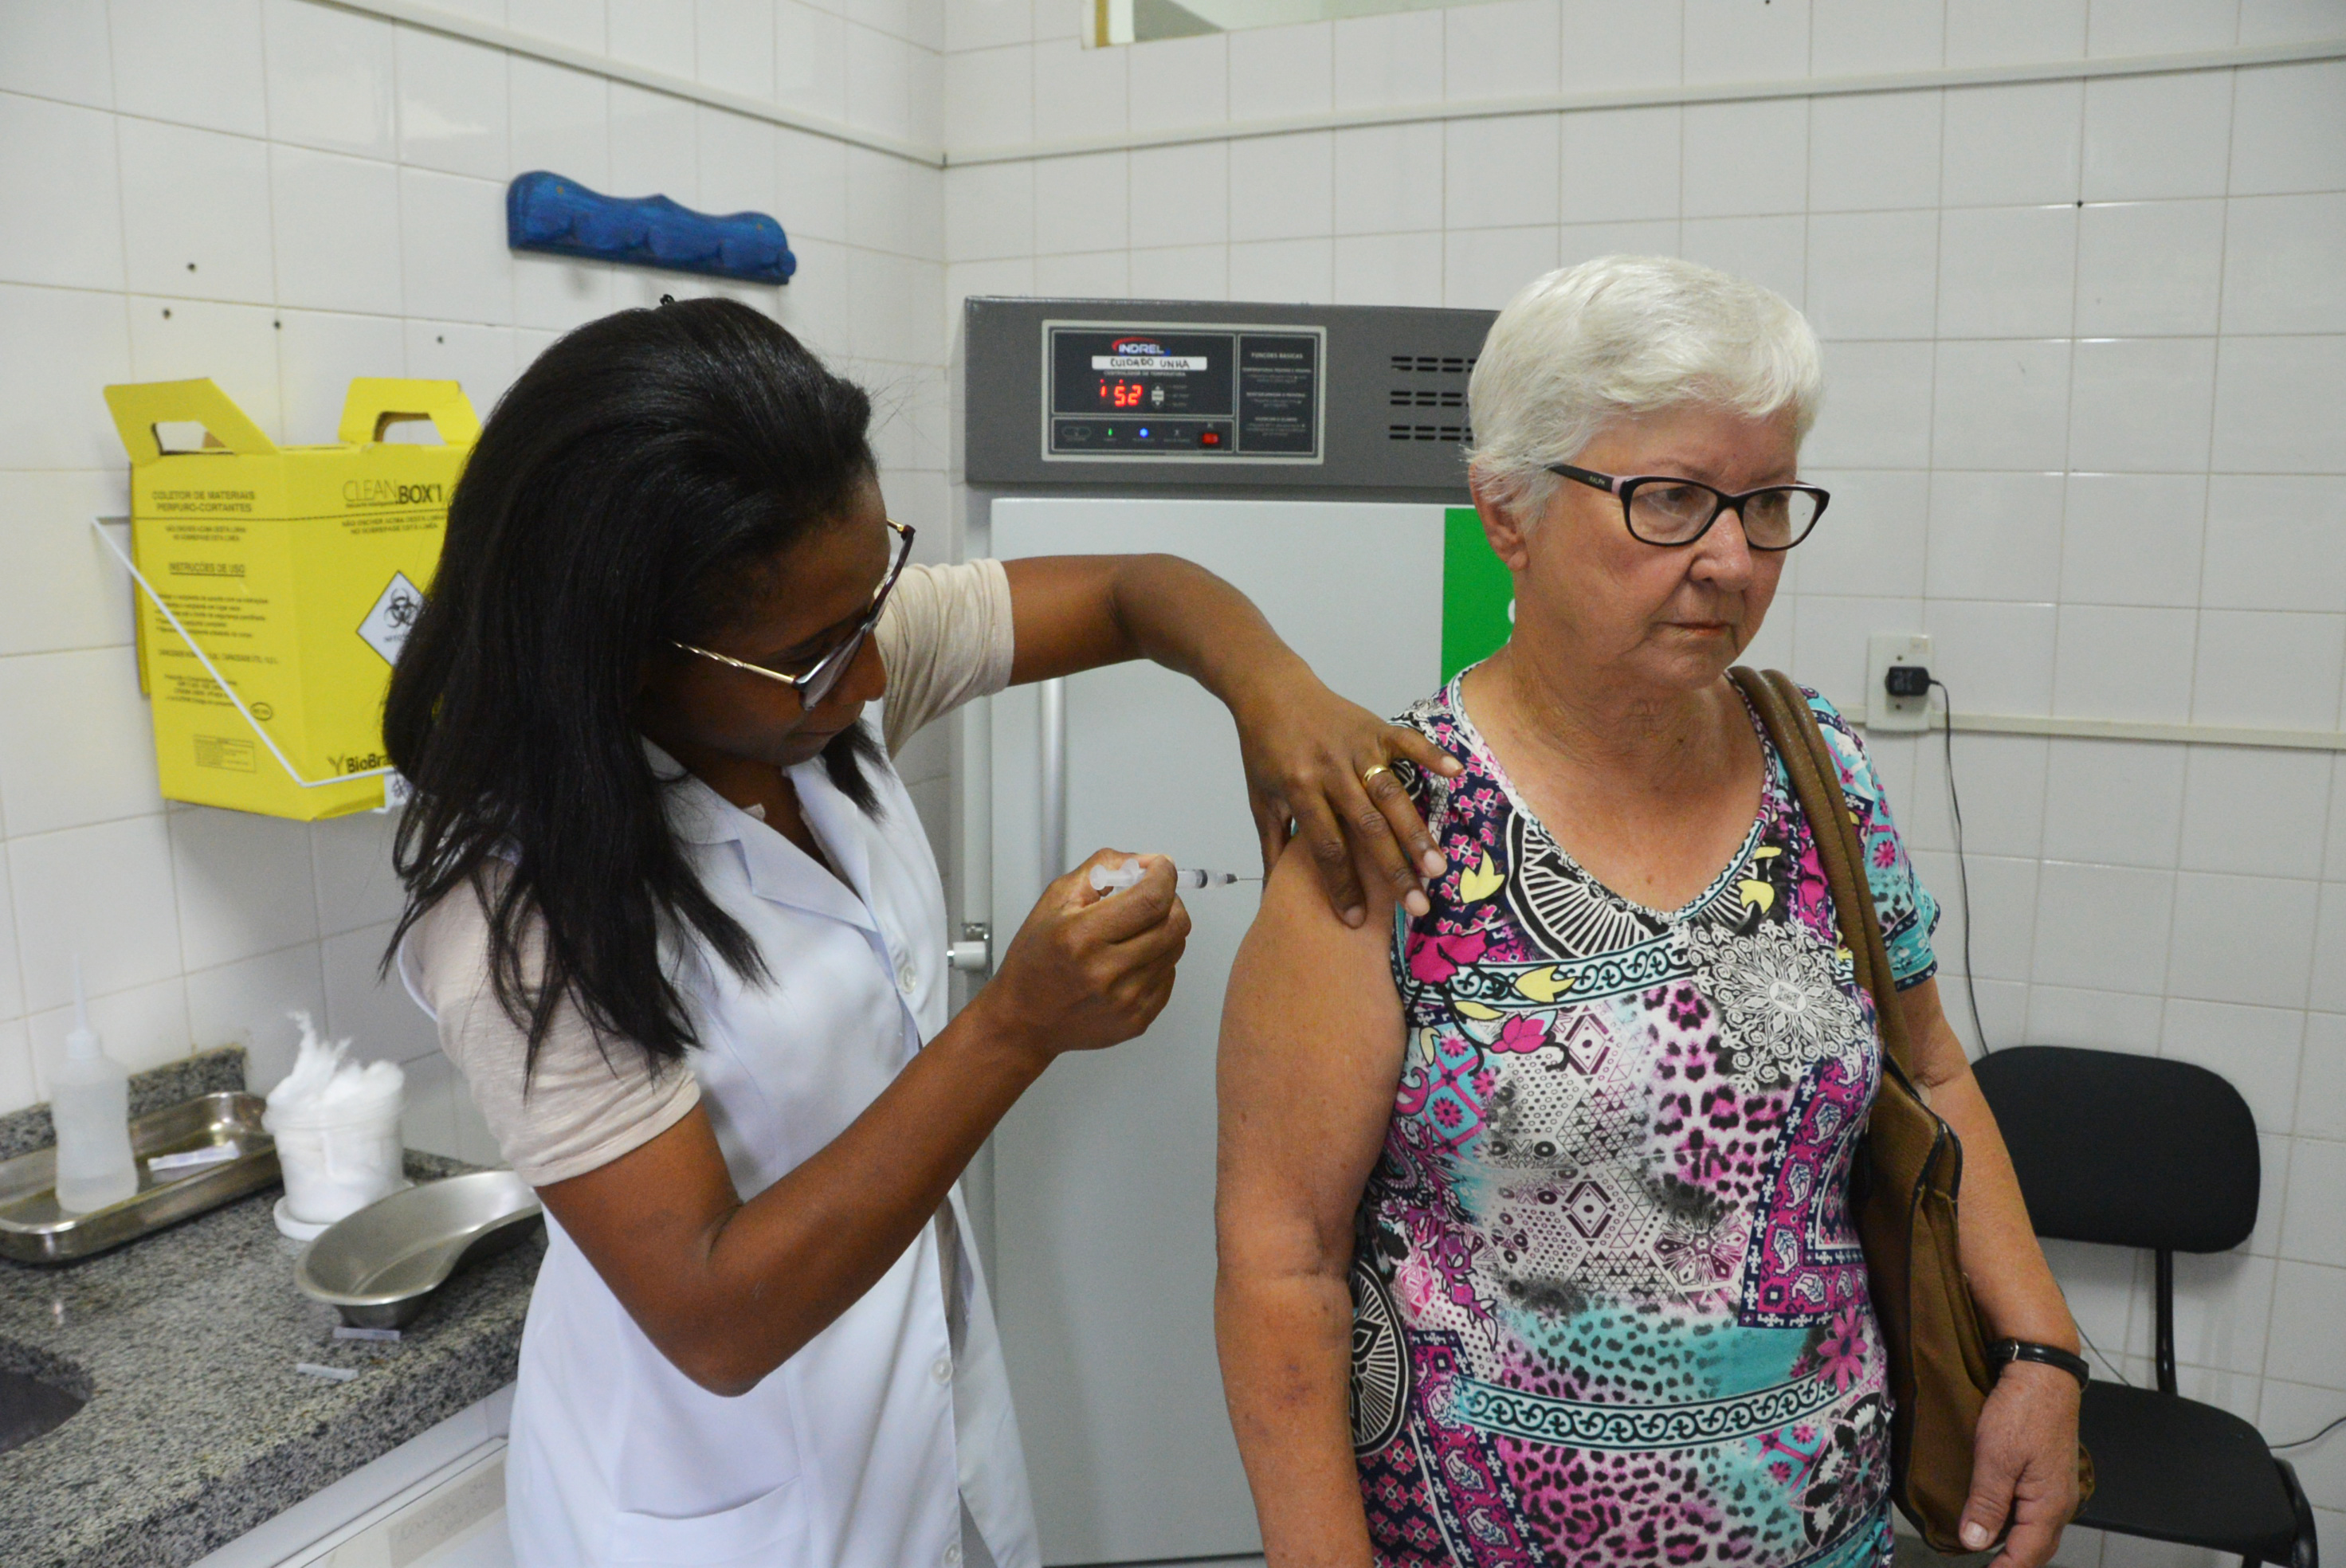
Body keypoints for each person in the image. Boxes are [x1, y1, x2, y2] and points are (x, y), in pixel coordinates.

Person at [381, 299, 1458, 1568]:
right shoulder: (515, 906)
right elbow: (716, 1317)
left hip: (914, 1432)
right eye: (814, 655)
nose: (874, 675)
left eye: (876, 597)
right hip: (715, 1508)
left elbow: (1138, 592)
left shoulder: (812, 674)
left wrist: (1272, 695)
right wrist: (1016, 1026)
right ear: (627, 655)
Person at [1215, 257, 2085, 1568]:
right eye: (1670, 499)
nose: (1731, 560)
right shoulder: (1391, 830)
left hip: (1826, 1531)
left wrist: (2041, 1347)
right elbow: (1282, 1262)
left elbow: (1934, 1069)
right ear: (1506, 513)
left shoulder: (1823, 772)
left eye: (1767, 502)